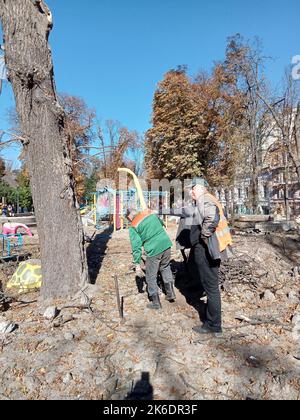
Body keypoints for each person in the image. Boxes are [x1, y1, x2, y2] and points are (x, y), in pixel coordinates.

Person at [186, 178, 233, 335]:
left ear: (201, 188)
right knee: (211, 286)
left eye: (193, 188)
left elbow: (212, 218)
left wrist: (204, 237)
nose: (190, 191)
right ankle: (213, 320)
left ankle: (213, 325)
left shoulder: (204, 199)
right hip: (212, 248)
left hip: (208, 249)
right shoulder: (207, 199)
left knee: (211, 287)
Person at [127, 208, 176, 310]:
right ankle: (170, 294)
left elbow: (136, 246)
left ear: (129, 217)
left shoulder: (133, 226)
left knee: (150, 276)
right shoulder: (149, 214)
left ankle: (156, 303)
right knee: (165, 267)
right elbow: (161, 223)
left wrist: (136, 262)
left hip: (154, 249)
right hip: (166, 243)